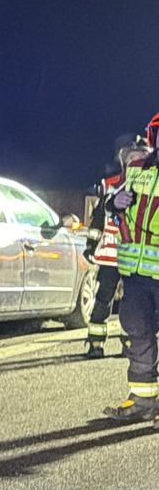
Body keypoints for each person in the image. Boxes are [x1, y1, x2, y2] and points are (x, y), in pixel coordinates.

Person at [105, 115, 159, 422]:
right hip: (137, 272)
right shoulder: (137, 169)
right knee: (138, 332)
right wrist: (115, 203)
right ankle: (143, 399)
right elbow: (116, 201)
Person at [85, 136, 151, 358]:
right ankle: (95, 343)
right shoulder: (111, 184)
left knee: (132, 304)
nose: (136, 160)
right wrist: (91, 244)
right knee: (103, 299)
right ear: (124, 160)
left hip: (136, 258)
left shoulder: (150, 184)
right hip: (111, 255)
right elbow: (98, 218)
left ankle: (130, 344)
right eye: (132, 157)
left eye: (140, 156)